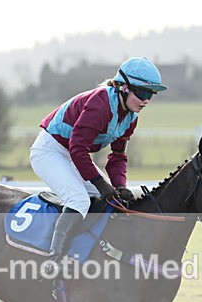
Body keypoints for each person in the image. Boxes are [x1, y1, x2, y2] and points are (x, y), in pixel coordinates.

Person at [29, 56, 166, 277]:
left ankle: (88, 251)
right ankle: (54, 260)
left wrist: (119, 186)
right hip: (50, 151)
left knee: (111, 200)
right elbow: (78, 149)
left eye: (151, 95)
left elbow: (118, 156)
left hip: (73, 154)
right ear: (123, 87)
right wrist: (101, 184)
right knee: (78, 199)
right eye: (142, 93)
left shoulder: (130, 117)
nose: (146, 100)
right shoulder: (100, 105)